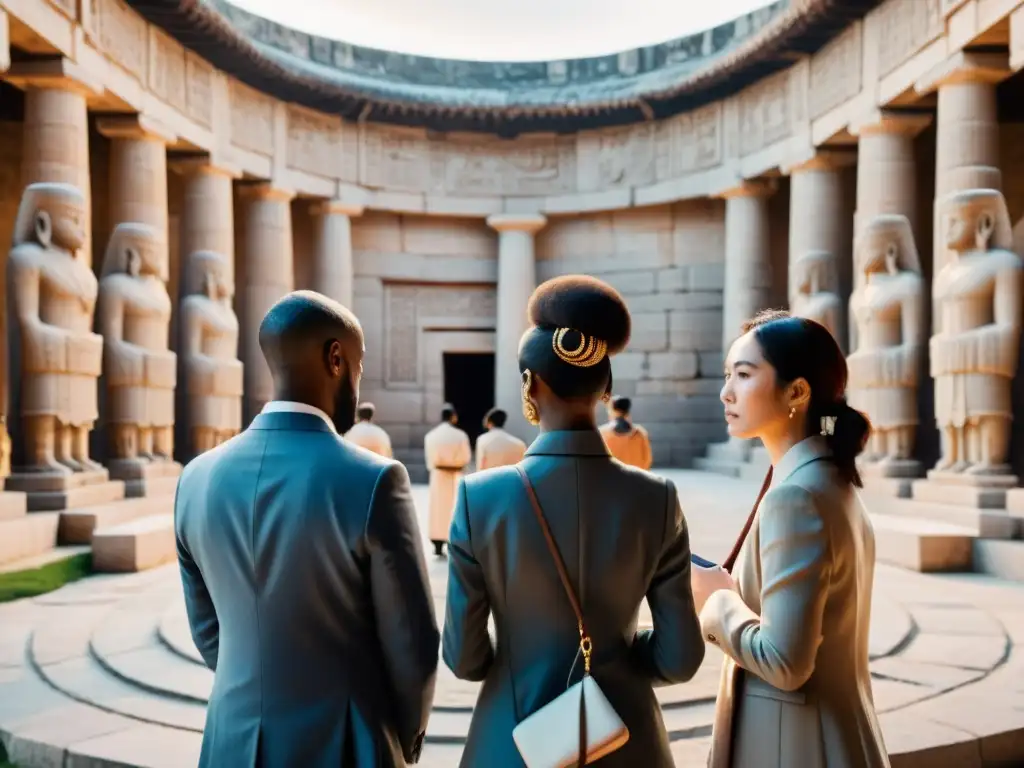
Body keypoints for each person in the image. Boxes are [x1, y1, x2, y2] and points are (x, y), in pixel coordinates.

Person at [442, 276, 705, 768]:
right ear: (605, 388)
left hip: (511, 741)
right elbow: (680, 659)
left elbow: (465, 658)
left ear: (529, 385)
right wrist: (621, 651)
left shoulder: (480, 498)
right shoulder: (659, 498)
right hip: (627, 740)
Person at [174, 291, 439, 768]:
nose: (359, 382)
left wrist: (260, 693)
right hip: (346, 741)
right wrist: (404, 741)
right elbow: (414, 643)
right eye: (358, 367)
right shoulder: (376, 479)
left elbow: (207, 629)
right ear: (335, 358)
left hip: (230, 738)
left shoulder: (193, 478)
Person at [695, 309, 888, 768]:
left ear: (797, 391)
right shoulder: (829, 480)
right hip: (828, 735)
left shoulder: (795, 497)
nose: (726, 392)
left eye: (743, 375)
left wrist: (717, 601)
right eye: (728, 375)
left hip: (792, 744)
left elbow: (785, 662)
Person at [423, 404, 471, 557]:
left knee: (438, 510)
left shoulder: (431, 435)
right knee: (454, 507)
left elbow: (429, 460)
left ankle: (437, 543)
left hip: (438, 475)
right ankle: (454, 540)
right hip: (455, 474)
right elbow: (466, 457)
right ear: (453, 417)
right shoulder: (460, 435)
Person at [599, 395, 653, 469]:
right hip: (636, 478)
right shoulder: (640, 433)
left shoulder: (602, 433)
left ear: (612, 410)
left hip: (611, 478)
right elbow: (647, 460)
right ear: (627, 411)